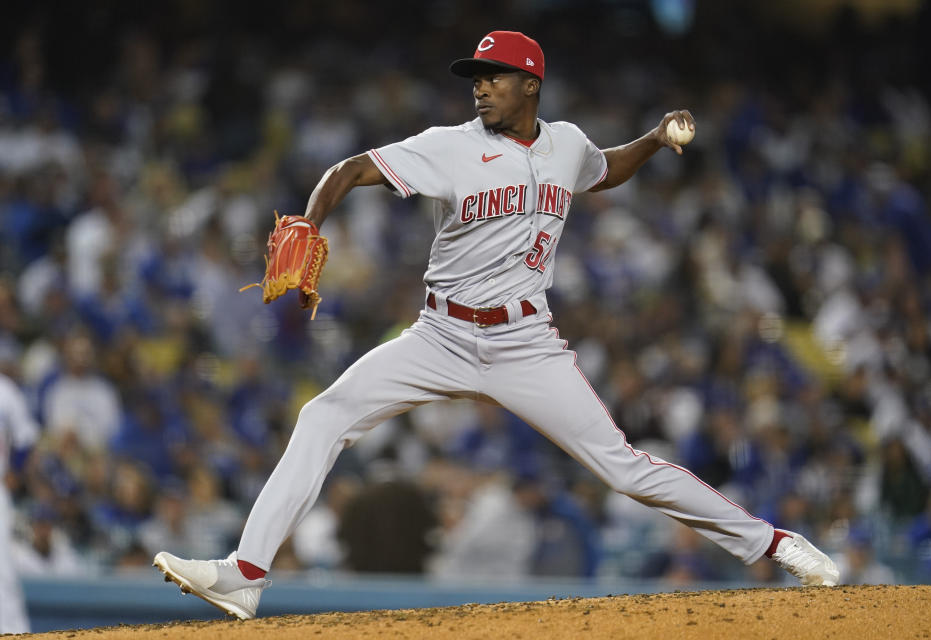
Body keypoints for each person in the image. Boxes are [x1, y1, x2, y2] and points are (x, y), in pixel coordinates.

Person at [154, 30, 839, 620]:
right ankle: (247, 575)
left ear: (530, 84)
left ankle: (775, 545)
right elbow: (350, 168)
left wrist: (656, 139)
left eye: (494, 78)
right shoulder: (449, 146)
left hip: (524, 342)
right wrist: (309, 222)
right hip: (438, 334)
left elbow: (605, 171)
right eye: (475, 78)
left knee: (624, 469)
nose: (480, 89)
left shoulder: (567, 145)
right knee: (324, 416)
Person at [1, 372, 40, 634]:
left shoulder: (5, 391)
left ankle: (12, 631)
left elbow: (26, 437)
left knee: (1, 570)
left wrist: (14, 470)